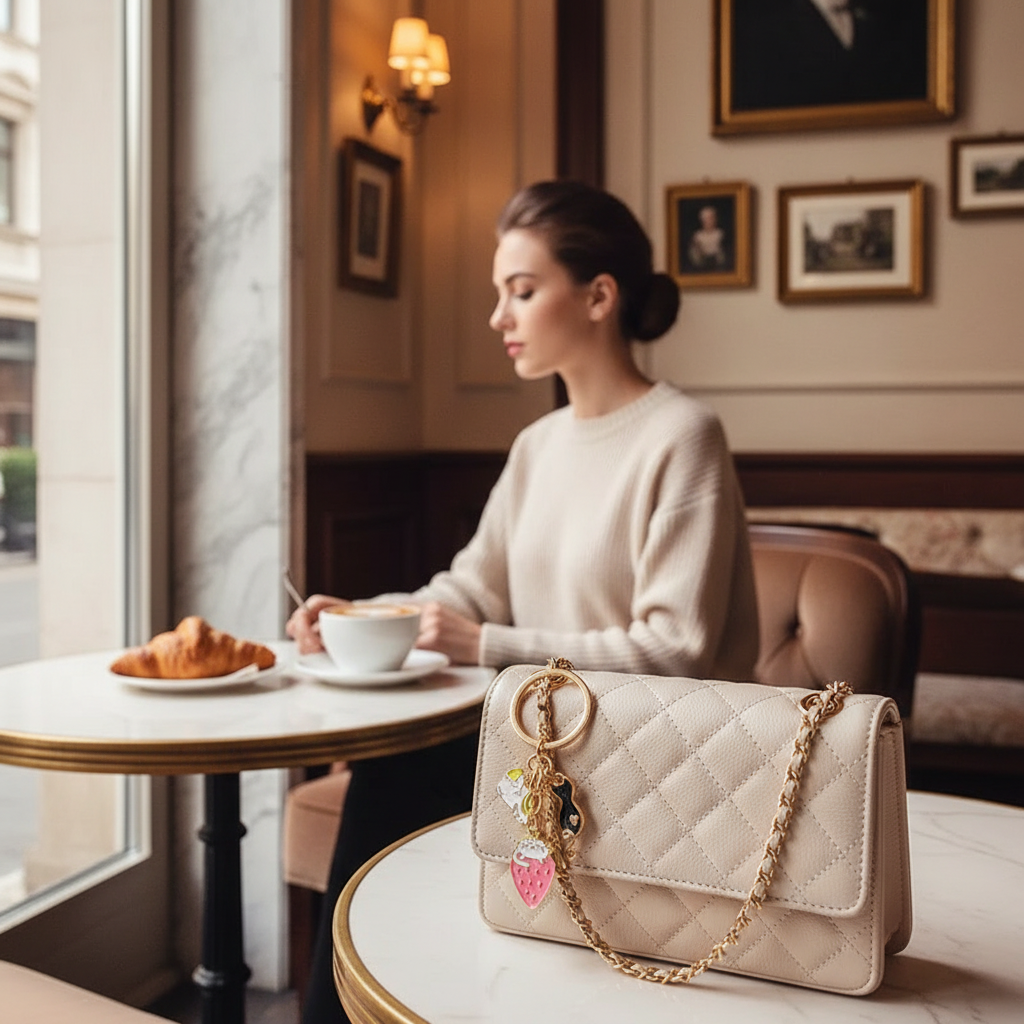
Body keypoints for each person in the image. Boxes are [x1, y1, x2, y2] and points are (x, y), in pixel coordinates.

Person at [287, 180, 760, 1023]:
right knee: (393, 766)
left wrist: (487, 644)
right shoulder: (537, 446)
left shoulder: (683, 435)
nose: (499, 318)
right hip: (547, 740)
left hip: (654, 754)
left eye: (522, 291)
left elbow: (677, 649)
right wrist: (359, 614)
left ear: (599, 297)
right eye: (498, 294)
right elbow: (467, 589)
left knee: (401, 773)